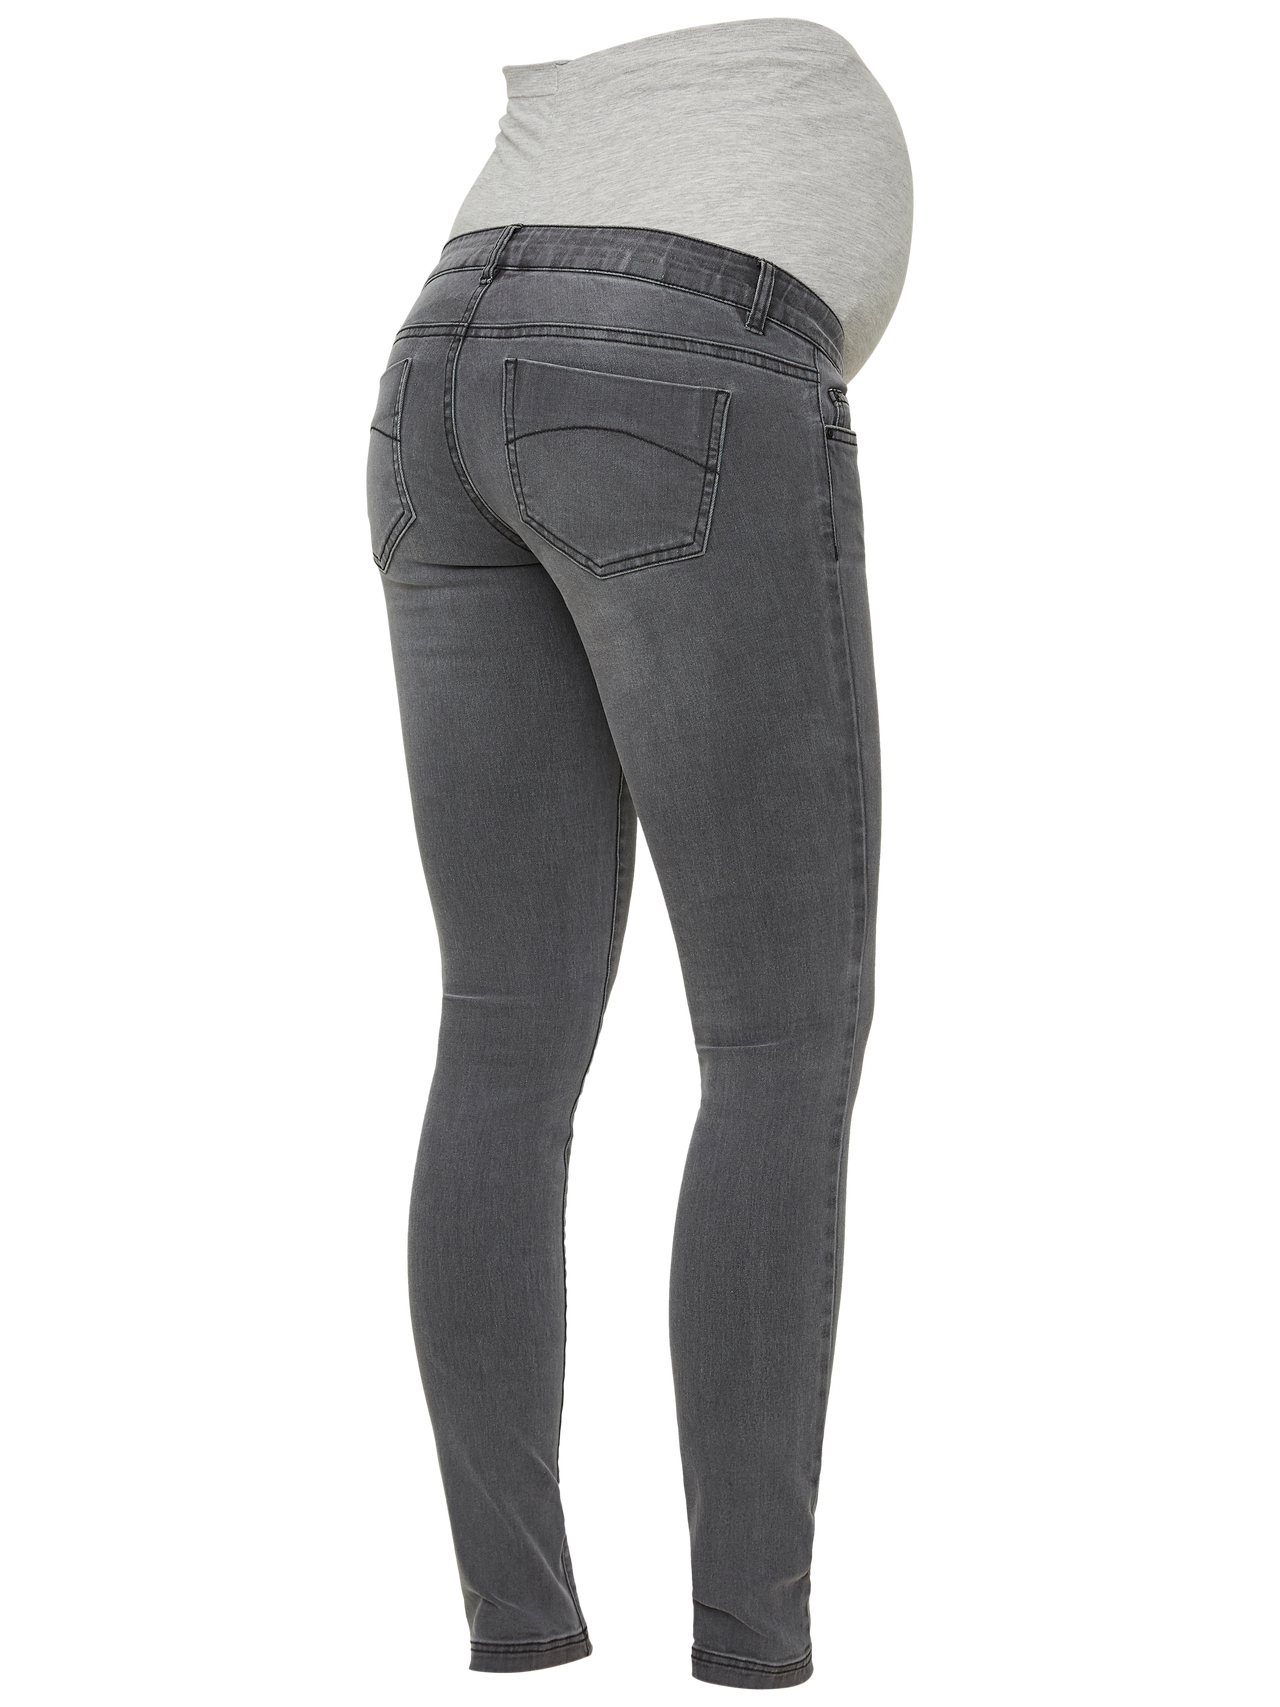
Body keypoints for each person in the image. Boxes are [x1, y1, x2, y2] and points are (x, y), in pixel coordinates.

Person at [363, 18, 914, 1689]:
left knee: (499, 1025)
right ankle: (750, 1640)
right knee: (776, 1034)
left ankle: (517, 1622)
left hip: (436, 354)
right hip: (675, 351)